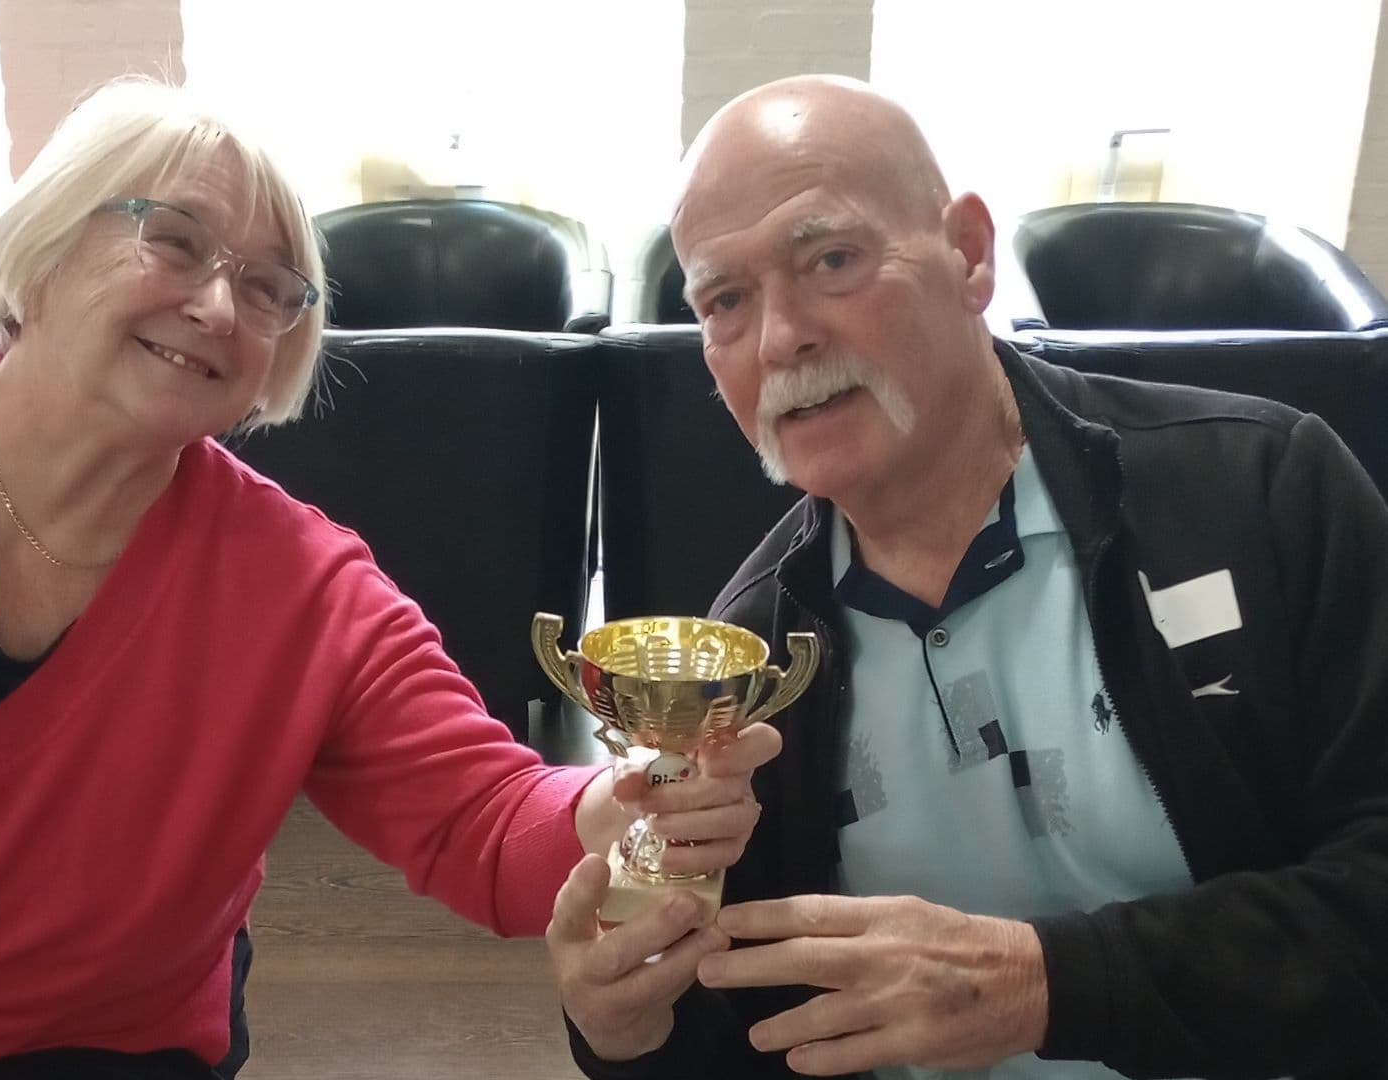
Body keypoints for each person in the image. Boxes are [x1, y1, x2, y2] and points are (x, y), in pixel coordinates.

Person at [0, 79, 779, 1079]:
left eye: (270, 289)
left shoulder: (303, 593)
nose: (219, 306)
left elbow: (484, 820)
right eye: (174, 241)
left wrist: (615, 805)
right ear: (43, 245)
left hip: (89, 1050)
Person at [550, 73, 1388, 1079]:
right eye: (725, 300)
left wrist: (1043, 984)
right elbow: (756, 1029)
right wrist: (629, 1031)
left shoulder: (1259, 493)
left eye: (831, 259)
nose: (780, 337)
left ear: (970, 254)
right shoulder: (759, 656)